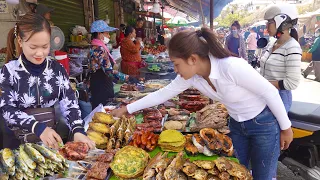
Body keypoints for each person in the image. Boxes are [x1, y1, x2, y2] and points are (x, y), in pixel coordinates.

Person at [112, 27, 293, 179]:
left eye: (176, 64)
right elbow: (163, 93)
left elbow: (270, 92)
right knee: (236, 173)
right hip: (237, 125)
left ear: (192, 59)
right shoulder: (192, 76)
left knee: (263, 176)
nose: (175, 70)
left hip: (263, 124)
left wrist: (286, 128)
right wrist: (128, 108)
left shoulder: (231, 67)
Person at [1, 13, 94, 149]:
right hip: (18, 147)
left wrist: (77, 129)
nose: (40, 53)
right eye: (33, 47)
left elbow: (69, 103)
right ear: (20, 41)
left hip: (50, 145)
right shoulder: (8, 72)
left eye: (45, 47)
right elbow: (7, 109)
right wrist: (38, 128)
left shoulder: (57, 69)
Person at [260, 4, 302, 113]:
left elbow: (292, 83)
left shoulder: (292, 47)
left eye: (270, 22)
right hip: (265, 95)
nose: (267, 27)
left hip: (279, 97)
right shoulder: (272, 43)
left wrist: (261, 83)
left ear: (282, 21)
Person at [89, 20, 128, 109]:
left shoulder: (96, 46)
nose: (109, 36)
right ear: (99, 34)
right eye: (107, 33)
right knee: (103, 111)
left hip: (100, 84)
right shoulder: (98, 50)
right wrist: (126, 78)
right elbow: (109, 71)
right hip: (101, 87)